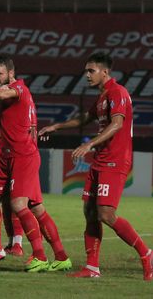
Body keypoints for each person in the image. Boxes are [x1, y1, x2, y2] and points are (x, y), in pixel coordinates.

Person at [38, 52, 153, 280]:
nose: (86, 75)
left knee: (106, 214)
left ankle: (147, 254)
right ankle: (92, 267)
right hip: (101, 160)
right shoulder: (102, 97)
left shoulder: (117, 92)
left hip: (115, 160)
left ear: (105, 72)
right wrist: (57, 127)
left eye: (91, 71)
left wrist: (89, 144)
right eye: (86, 70)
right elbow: (84, 118)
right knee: (90, 212)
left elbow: (117, 123)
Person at [0, 55, 71, 272]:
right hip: (8, 158)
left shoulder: (18, 88)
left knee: (18, 205)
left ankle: (38, 255)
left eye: (0, 74)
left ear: (11, 73)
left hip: (23, 157)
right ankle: (61, 256)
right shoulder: (4, 97)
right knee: (25, 207)